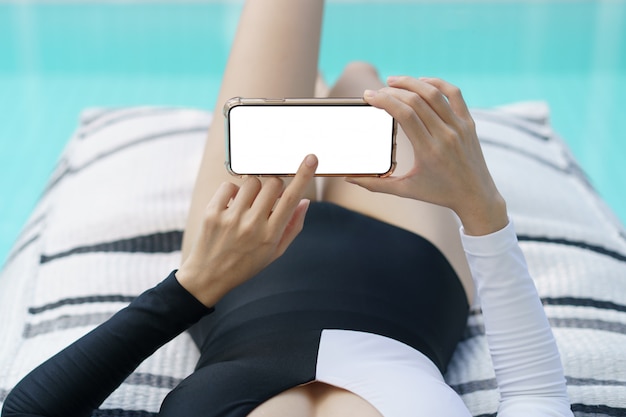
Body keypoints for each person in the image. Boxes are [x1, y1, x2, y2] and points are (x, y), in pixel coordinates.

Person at [2, 1, 574, 416]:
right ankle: (341, 84)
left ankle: (330, 91)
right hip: (410, 272)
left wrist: (191, 288)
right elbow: (538, 398)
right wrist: (480, 204)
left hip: (235, 268)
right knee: (362, 84)